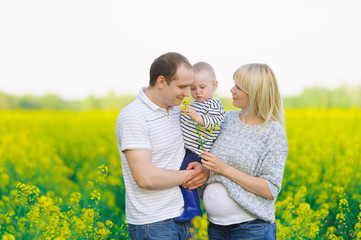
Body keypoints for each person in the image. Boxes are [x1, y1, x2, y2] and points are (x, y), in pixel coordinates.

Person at [115, 52, 209, 240]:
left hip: (187, 217)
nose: (186, 93)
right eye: (181, 87)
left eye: (188, 87)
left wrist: (205, 170)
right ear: (161, 81)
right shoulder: (134, 116)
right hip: (154, 224)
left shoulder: (179, 111)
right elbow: (145, 178)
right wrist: (194, 176)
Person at [200, 63, 288, 239]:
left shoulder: (273, 131)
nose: (232, 90)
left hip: (251, 229)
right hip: (215, 228)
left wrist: (224, 169)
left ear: (255, 92)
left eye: (239, 87)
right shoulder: (226, 118)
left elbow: (270, 190)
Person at [174, 62, 226, 222]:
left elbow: (216, 122)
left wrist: (197, 118)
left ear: (214, 85)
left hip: (199, 152)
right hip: (188, 149)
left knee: (185, 176)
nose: (197, 92)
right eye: (193, 88)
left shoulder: (214, 104)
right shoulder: (193, 104)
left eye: (202, 87)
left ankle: (193, 209)